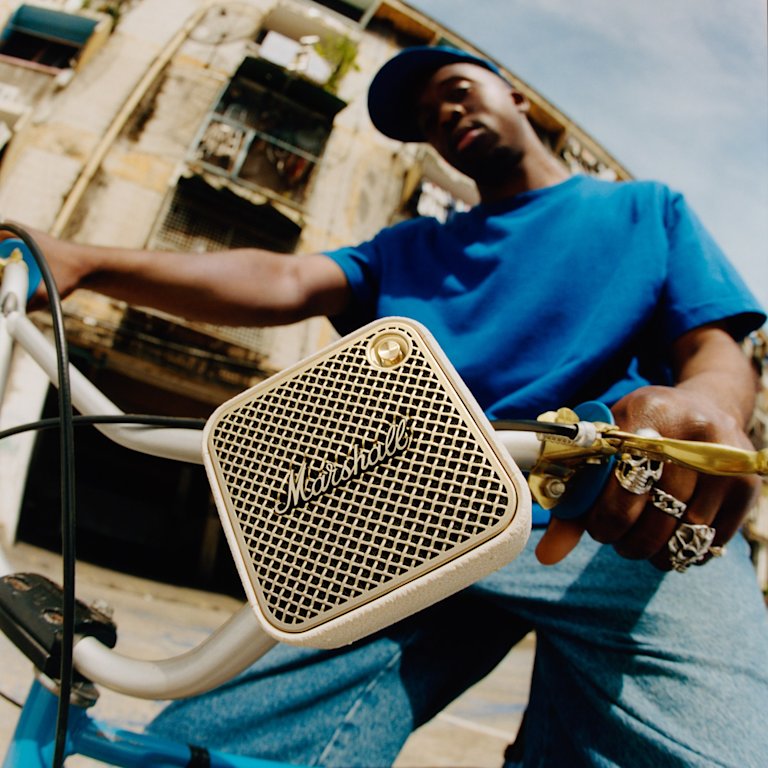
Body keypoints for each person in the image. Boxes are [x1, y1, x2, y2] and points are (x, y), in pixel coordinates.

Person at [12, 46, 768, 767]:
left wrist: (702, 409)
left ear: (515, 94)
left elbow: (716, 348)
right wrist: (87, 261)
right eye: (428, 117)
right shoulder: (406, 248)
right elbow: (280, 280)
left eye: (458, 91)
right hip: (423, 515)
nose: (445, 114)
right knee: (207, 740)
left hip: (617, 512)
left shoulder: (647, 210)